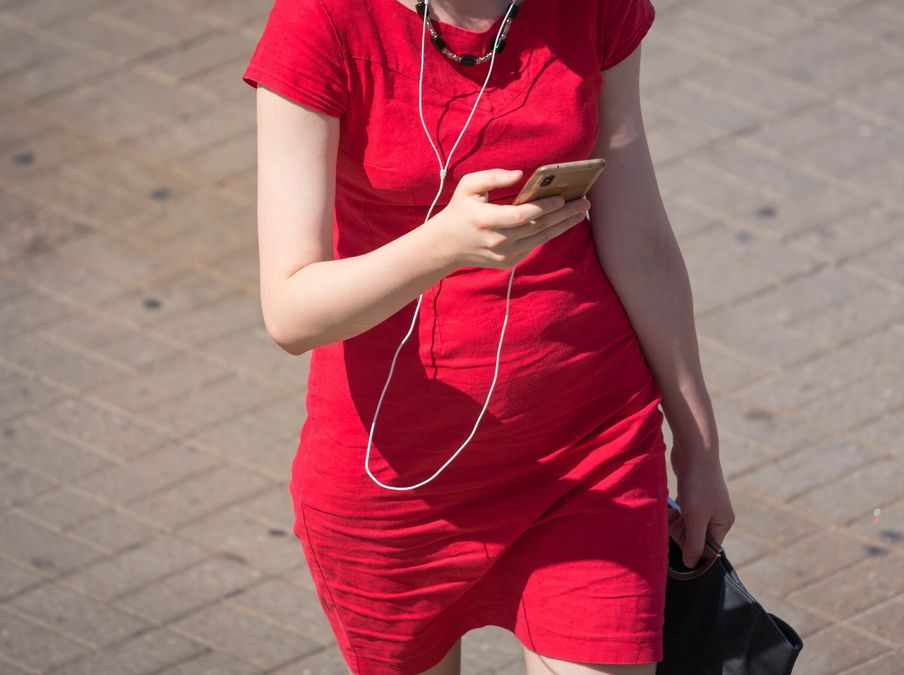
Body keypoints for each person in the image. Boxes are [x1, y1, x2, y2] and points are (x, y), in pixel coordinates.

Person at [242, 0, 735, 673]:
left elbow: (640, 239)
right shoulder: (322, 20)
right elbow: (291, 311)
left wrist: (699, 445)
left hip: (591, 453)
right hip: (398, 479)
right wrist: (442, 247)